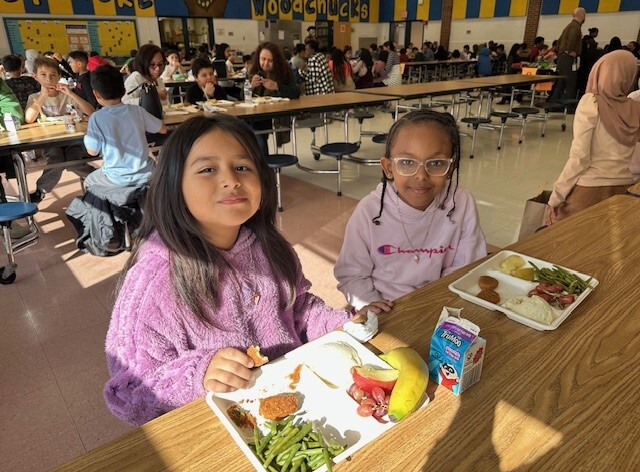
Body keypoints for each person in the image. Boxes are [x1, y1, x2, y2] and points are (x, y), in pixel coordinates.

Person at [103, 114, 386, 425]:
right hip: (220, 429)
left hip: (298, 405)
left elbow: (300, 309)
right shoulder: (154, 281)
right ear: (173, 183)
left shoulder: (269, 248)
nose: (231, 180)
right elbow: (128, 394)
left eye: (242, 167)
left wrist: (341, 324)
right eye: (208, 169)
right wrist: (198, 374)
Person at [334, 110, 486, 308]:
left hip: (441, 301)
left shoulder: (461, 203)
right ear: (388, 167)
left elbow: (465, 268)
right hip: (385, 307)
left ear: (451, 168)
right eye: (407, 162)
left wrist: (437, 301)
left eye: (437, 163)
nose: (421, 175)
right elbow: (351, 275)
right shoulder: (369, 212)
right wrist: (370, 304)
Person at [544, 51, 640, 225]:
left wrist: (556, 196)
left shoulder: (591, 102)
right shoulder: (635, 108)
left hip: (589, 191)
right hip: (624, 189)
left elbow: (579, 158)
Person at [83, 65, 167, 189]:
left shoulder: (96, 118)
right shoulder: (137, 111)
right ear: (123, 89)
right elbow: (163, 129)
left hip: (116, 177)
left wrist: (87, 137)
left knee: (88, 182)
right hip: (147, 173)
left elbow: (92, 151)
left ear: (96, 94)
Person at [25, 57, 96, 202]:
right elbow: (29, 118)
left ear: (59, 77)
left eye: (53, 75)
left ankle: (99, 178)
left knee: (73, 161)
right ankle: (41, 190)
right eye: (43, 75)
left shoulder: (66, 95)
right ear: (35, 76)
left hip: (72, 139)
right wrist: (43, 96)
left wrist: (71, 94)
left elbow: (91, 112)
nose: (48, 79)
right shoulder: (34, 97)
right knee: (57, 159)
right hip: (50, 141)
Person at [249, 42, 301, 156]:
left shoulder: (284, 71)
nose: (265, 63)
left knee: (257, 132)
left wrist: (277, 86)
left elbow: (296, 92)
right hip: (256, 114)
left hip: (276, 116)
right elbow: (242, 97)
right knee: (251, 130)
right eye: (263, 59)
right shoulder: (253, 71)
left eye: (270, 60)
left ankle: (264, 167)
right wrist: (250, 86)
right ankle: (262, 165)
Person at [548, 7, 586, 103]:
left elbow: (559, 42)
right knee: (570, 83)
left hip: (562, 58)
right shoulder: (575, 27)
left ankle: (553, 104)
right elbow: (571, 40)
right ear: (581, 15)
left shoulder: (568, 26)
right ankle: (568, 106)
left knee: (560, 83)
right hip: (568, 59)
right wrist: (569, 51)